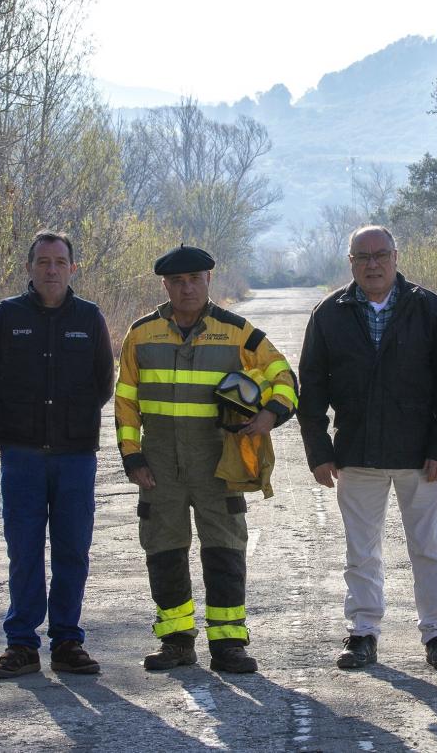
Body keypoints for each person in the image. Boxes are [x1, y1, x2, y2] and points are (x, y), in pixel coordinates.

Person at [115, 244, 297, 674]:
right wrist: (132, 456)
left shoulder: (237, 331)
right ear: (165, 285)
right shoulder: (140, 334)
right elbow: (125, 402)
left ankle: (229, 643)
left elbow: (283, 374)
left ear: (208, 280)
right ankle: (176, 642)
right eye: (177, 282)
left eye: (194, 279)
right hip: (159, 465)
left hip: (220, 461)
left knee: (225, 549)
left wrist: (271, 415)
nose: (186, 288)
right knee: (163, 549)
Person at [298, 225, 437, 670]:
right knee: (361, 550)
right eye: (363, 257)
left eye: (380, 255)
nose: (373, 264)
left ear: (396, 256)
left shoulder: (430, 309)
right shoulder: (329, 313)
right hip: (356, 454)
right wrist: (318, 450)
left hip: (420, 457)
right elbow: (311, 388)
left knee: (427, 548)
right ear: (351, 263)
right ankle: (363, 633)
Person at [0, 230, 114, 679]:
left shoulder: (89, 318)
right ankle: (21, 644)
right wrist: (16, 420)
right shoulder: (7, 316)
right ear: (29, 268)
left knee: (73, 549)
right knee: (25, 549)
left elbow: (102, 384)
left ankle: (68, 641)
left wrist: (70, 423)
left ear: (73, 268)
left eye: (59, 262)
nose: (51, 270)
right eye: (43, 262)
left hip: (75, 456)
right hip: (23, 456)